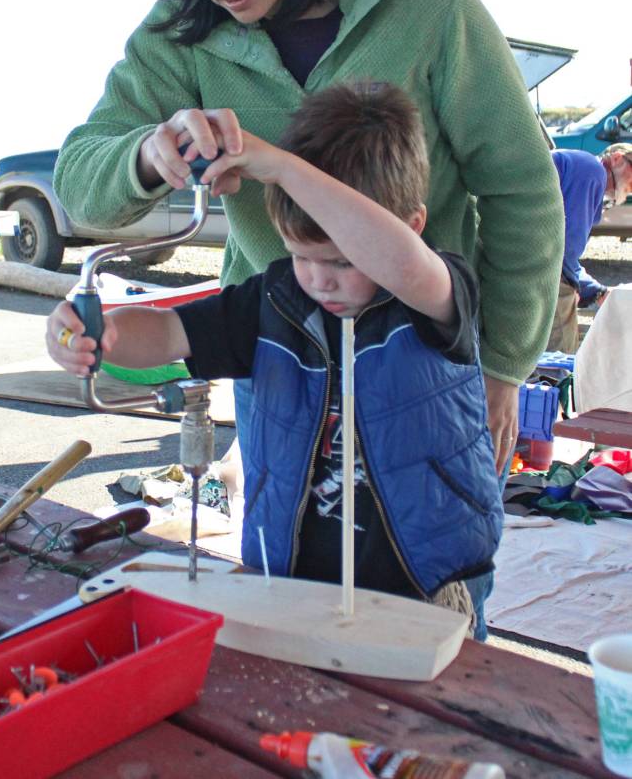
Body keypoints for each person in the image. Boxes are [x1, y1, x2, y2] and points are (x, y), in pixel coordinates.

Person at [53, 0, 563, 637]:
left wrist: (501, 365)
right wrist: (150, 150)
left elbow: (521, 191)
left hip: (427, 365)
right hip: (284, 369)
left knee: (430, 605)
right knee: (289, 584)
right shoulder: (172, 40)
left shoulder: (429, 5)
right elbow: (82, 181)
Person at [48, 83, 503, 621]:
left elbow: (401, 263)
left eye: (339, 262)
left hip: (425, 595)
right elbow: (168, 332)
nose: (319, 281)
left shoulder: (435, 297)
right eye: (300, 256)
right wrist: (92, 332)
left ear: (411, 227)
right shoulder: (273, 302)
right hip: (291, 586)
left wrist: (283, 168)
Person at [548, 143, 632, 354]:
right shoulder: (593, 172)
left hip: (523, 247)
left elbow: (568, 256)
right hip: (536, 258)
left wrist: (596, 291)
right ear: (617, 158)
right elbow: (567, 248)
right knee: (561, 352)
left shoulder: (585, 170)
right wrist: (574, 286)